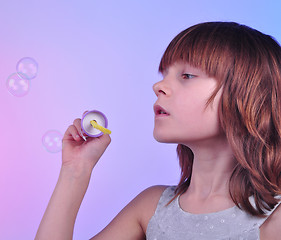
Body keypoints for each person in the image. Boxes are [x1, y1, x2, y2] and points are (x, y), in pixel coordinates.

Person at [35, 21, 281, 239]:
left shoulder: (274, 220)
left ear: (247, 95)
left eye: (186, 75)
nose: (158, 85)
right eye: (164, 74)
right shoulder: (152, 208)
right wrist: (75, 171)